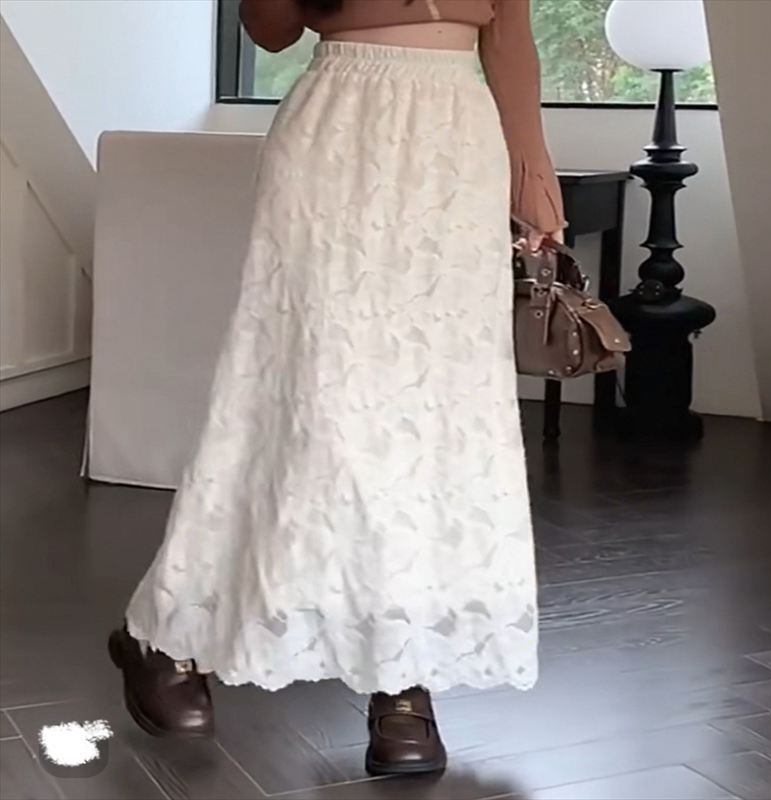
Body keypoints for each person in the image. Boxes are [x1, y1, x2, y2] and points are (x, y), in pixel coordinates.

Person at [108, 0, 566, 776]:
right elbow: (270, 30)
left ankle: (403, 675)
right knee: (308, 404)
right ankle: (169, 631)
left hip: (457, 144)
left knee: (437, 410)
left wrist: (531, 172)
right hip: (337, 130)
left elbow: (510, 34)